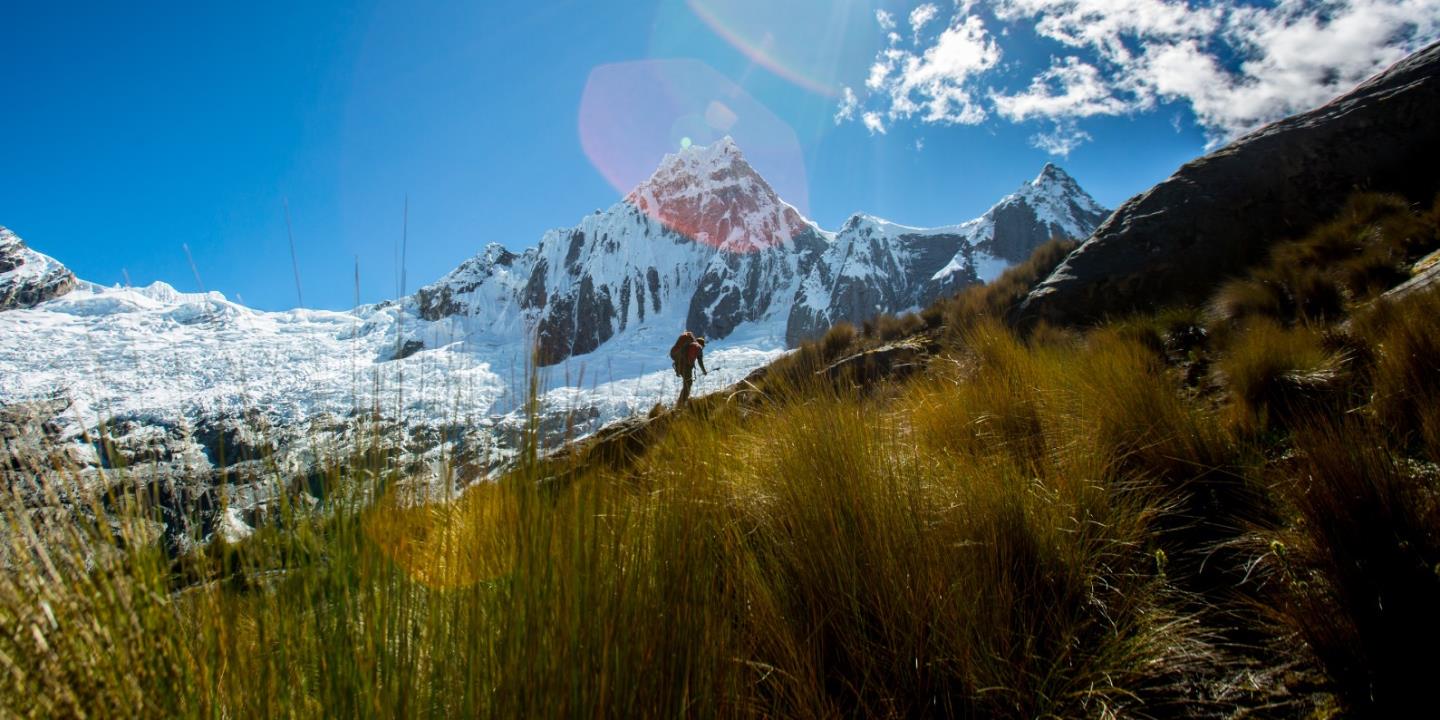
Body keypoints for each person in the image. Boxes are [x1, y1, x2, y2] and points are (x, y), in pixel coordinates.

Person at [671, 332, 707, 406]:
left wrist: (678, 371)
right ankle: (682, 403)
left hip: (679, 366)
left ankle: (681, 402)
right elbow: (700, 361)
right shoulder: (698, 347)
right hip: (686, 367)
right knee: (688, 384)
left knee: (686, 383)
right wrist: (704, 371)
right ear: (702, 344)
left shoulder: (687, 346)